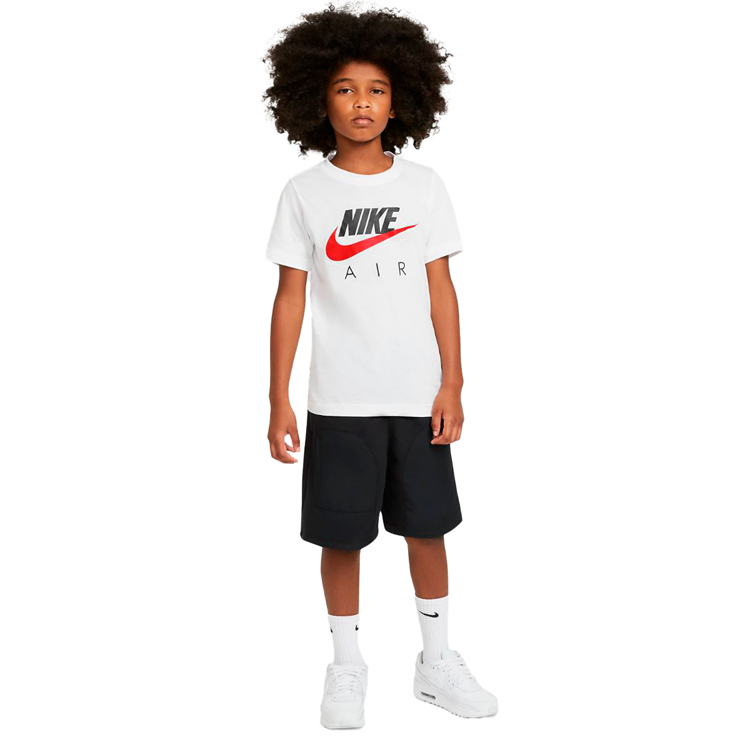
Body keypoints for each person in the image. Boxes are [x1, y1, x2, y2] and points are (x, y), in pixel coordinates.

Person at [261, 3, 497, 728]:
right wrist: (277, 398)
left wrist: (453, 382)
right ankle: (346, 665)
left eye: (377, 89)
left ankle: (436, 662)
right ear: (317, 100)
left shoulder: (423, 186)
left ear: (400, 102)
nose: (361, 102)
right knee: (341, 537)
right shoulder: (304, 194)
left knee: (428, 529)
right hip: (340, 401)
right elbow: (290, 299)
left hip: (416, 397)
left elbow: (441, 289)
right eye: (345, 88)